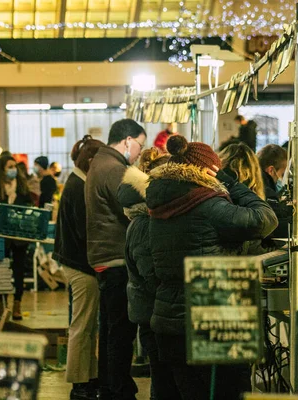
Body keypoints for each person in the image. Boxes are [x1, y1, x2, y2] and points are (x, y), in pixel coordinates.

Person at [146, 135, 277, 400]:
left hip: (169, 320)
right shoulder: (208, 204)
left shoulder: (160, 200)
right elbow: (266, 219)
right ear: (208, 173)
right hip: (210, 318)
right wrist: (231, 183)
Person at [85, 118, 146, 400]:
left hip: (104, 257)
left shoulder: (100, 163)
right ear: (127, 141)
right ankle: (118, 389)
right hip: (115, 259)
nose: (139, 154)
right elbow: (133, 204)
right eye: (140, 147)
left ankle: (111, 386)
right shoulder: (114, 169)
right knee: (121, 332)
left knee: (111, 329)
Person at [117, 148, 181, 400]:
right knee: (164, 383)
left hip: (156, 312)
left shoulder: (150, 218)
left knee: (166, 381)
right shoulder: (145, 222)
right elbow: (151, 274)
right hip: (153, 314)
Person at [53, 135, 103, 400]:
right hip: (80, 267)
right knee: (82, 326)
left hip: (78, 264)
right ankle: (78, 383)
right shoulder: (77, 187)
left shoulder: (77, 183)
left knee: (88, 327)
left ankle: (89, 377)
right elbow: (86, 232)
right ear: (91, 161)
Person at [0, 155, 32, 320]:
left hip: (19, 237)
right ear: (2, 169)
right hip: (1, 237)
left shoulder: (23, 187)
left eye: (14, 166)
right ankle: (1, 305)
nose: (13, 169)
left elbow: (30, 206)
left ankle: (17, 305)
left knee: (19, 271)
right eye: (9, 166)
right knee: (1, 271)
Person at [257, 144, 298, 240]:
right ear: (271, 170)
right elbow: (280, 227)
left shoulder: (257, 185)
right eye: (283, 174)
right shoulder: (264, 191)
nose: (284, 179)